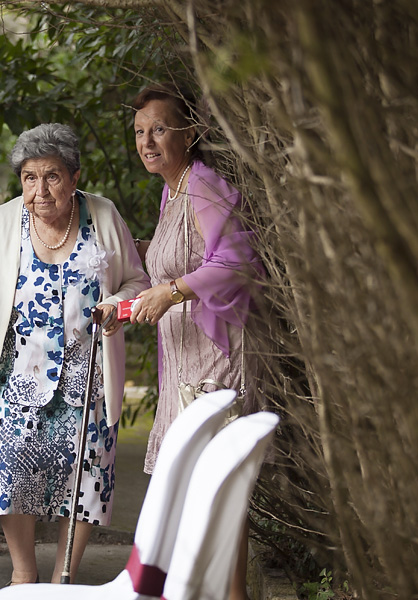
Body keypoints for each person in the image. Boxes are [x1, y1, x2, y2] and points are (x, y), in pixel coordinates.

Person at [0, 123, 149, 586]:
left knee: (86, 478)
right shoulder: (3, 220)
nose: (40, 190)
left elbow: (137, 280)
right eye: (29, 177)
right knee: (14, 470)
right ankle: (23, 573)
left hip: (88, 378)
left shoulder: (103, 215)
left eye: (52, 175)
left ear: (74, 177)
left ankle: (63, 578)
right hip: (20, 378)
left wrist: (118, 305)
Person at [129, 83, 263, 600]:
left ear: (191, 132)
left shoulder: (202, 182)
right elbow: (182, 255)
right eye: (140, 132)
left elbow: (234, 261)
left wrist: (170, 290)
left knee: (218, 491)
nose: (147, 141)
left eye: (159, 129)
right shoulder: (173, 188)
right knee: (191, 491)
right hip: (183, 363)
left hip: (215, 361)